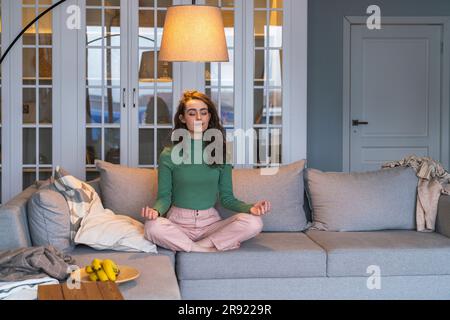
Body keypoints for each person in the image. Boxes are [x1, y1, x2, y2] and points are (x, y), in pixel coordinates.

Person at [142, 90, 271, 252]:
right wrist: (155, 211)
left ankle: (194, 248)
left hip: (210, 223)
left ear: (209, 117)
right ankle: (206, 248)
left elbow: (227, 198)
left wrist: (250, 208)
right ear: (182, 118)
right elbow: (164, 197)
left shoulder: (220, 153)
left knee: (254, 222)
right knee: (152, 227)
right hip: (178, 223)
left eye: (204, 113)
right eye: (192, 113)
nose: (198, 118)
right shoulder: (168, 154)